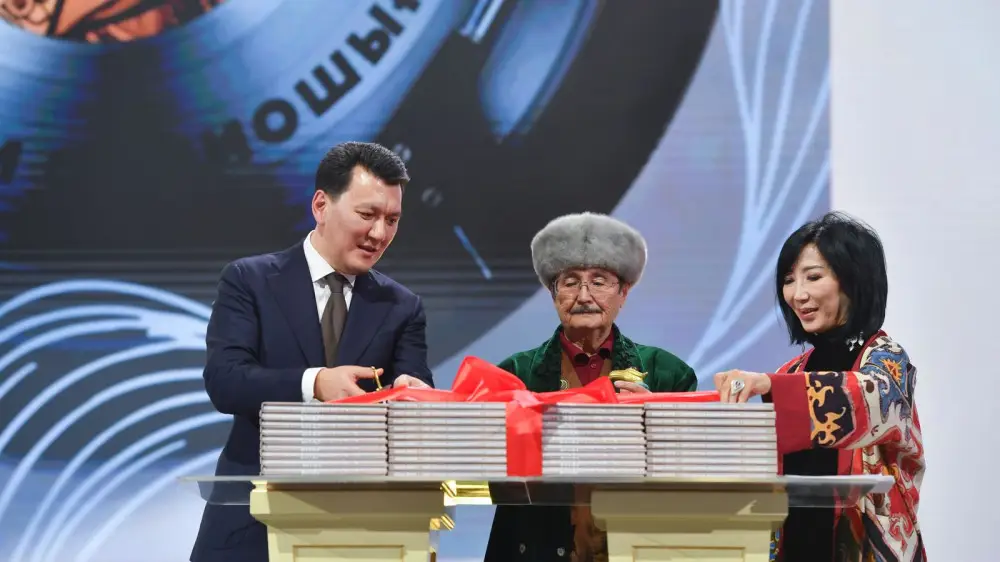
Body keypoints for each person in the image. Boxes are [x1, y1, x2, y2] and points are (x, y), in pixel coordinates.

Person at [189, 141, 434, 562]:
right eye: (367, 215)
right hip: (251, 524)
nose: (380, 234)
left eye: (392, 220)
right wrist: (315, 383)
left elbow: (417, 389)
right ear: (321, 205)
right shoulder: (250, 281)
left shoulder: (402, 306)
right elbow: (225, 381)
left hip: (361, 529)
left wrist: (418, 399)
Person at [484, 212, 697, 562]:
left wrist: (659, 425)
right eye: (570, 282)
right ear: (553, 293)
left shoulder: (668, 375)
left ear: (623, 292)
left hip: (636, 547)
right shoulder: (515, 374)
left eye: (599, 282)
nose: (584, 296)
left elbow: (697, 475)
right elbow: (485, 469)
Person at [712, 212, 925, 562]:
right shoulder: (791, 371)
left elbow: (867, 396)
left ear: (853, 280)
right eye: (789, 280)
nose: (798, 295)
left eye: (813, 277)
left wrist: (768, 384)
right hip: (795, 544)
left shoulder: (887, 360)